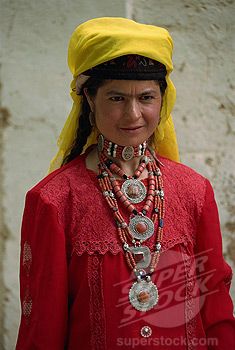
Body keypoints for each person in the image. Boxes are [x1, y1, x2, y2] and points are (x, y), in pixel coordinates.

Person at [16, 17, 235, 350]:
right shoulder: (53, 201)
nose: (133, 115)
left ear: (163, 100)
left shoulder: (194, 191)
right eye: (116, 98)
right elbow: (42, 328)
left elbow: (216, 309)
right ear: (89, 99)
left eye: (146, 98)